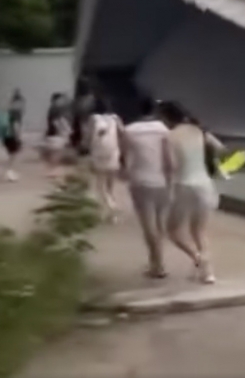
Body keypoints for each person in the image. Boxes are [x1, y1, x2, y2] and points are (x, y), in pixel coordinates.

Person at [159, 101, 225, 283]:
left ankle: (196, 257)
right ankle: (208, 273)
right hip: (204, 184)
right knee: (200, 232)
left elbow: (171, 166)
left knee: (172, 230)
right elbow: (220, 148)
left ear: (166, 118)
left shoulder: (169, 136)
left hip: (183, 186)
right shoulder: (199, 130)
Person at [121, 98, 173, 279]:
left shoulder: (129, 130)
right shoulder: (164, 130)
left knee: (149, 226)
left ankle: (157, 264)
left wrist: (126, 175)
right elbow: (169, 160)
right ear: (155, 110)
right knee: (160, 224)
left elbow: (126, 158)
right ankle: (157, 261)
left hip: (140, 181)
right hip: (161, 181)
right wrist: (170, 182)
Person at [87, 98, 123, 222]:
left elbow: (88, 136)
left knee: (100, 186)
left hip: (98, 154)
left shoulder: (93, 118)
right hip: (113, 153)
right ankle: (113, 214)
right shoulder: (115, 118)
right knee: (110, 187)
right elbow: (122, 132)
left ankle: (108, 209)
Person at [41, 93, 71, 177]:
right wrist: (63, 131)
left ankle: (51, 169)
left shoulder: (53, 109)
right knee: (56, 153)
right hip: (55, 134)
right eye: (60, 100)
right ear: (56, 100)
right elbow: (57, 121)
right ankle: (52, 170)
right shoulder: (55, 109)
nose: (62, 101)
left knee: (54, 153)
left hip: (52, 133)